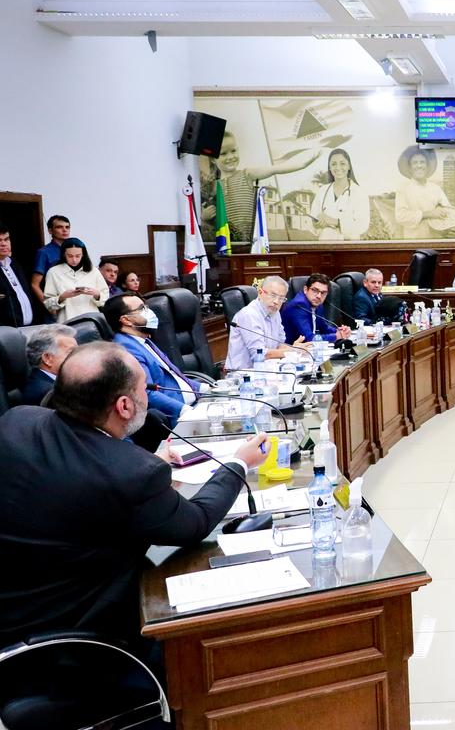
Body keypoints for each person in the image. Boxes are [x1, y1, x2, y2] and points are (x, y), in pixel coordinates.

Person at [0, 341, 267, 652]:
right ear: (124, 406)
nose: (149, 394)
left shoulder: (16, 419)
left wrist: (141, 462)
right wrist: (240, 462)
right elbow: (196, 522)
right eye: (144, 387)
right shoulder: (132, 475)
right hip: (71, 637)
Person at [209, 130, 320, 242]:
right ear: (213, 159)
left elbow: (274, 169)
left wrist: (303, 163)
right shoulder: (213, 186)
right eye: (223, 153)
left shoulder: (246, 174)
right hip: (226, 243)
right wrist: (204, 217)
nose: (230, 156)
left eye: (233, 151)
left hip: (250, 241)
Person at [104, 293, 198, 425]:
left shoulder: (143, 340)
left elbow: (173, 374)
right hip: (177, 417)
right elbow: (146, 391)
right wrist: (184, 410)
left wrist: (206, 388)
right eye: (142, 308)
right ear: (126, 320)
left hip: (194, 404)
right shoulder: (126, 348)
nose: (149, 311)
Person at [226, 275, 310, 371]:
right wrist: (293, 351)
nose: (276, 302)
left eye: (281, 298)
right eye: (273, 295)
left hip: (266, 370)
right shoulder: (249, 315)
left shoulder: (275, 312)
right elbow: (259, 354)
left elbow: (279, 345)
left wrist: (296, 348)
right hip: (243, 374)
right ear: (260, 293)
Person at [394, 146, 455, 238]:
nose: (419, 166)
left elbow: (448, 210)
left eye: (422, 162)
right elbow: (401, 216)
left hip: (436, 239)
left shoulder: (436, 188)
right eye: (415, 163)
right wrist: (429, 214)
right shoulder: (403, 189)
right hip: (413, 241)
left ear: (427, 166)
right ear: (409, 168)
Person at [42, 237, 108, 321]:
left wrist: (97, 294)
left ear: (83, 254)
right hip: (67, 321)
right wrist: (62, 297)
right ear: (63, 254)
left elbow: (105, 297)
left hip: (92, 320)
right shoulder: (53, 272)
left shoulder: (93, 271)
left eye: (78, 256)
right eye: (70, 256)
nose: (74, 260)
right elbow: (48, 304)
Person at [311, 148, 369, 241]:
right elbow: (313, 219)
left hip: (349, 249)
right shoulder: (322, 191)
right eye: (334, 164)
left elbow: (362, 225)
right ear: (329, 168)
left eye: (342, 163)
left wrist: (335, 222)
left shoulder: (359, 192)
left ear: (349, 166)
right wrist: (316, 223)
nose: (338, 168)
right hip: (325, 247)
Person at [281, 273, 352, 343]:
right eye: (315, 290)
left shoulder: (317, 304)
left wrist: (340, 331)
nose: (319, 296)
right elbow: (308, 338)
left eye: (323, 292)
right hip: (291, 350)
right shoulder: (298, 306)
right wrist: (336, 336)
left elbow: (324, 328)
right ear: (305, 289)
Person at [20, 324, 76, 405]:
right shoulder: (49, 394)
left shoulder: (58, 382)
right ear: (47, 358)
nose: (79, 355)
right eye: (72, 352)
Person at [0, 222, 37, 328]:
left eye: (6, 239)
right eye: (0, 240)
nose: (4, 244)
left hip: (28, 327)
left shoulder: (15, 264)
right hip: (5, 333)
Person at [30, 214, 72, 305]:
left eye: (67, 227)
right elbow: (34, 284)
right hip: (55, 304)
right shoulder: (44, 253)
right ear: (50, 231)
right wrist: (49, 306)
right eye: (59, 227)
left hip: (74, 304)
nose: (64, 230)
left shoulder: (74, 251)